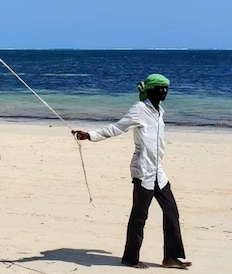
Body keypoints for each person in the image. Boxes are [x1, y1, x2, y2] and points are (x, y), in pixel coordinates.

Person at [72, 74, 191, 270]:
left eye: (166, 88)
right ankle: (130, 257)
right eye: (160, 88)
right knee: (139, 216)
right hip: (143, 171)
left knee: (171, 212)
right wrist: (90, 135)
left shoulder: (160, 111)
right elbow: (117, 128)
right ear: (150, 90)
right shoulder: (139, 110)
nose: (164, 91)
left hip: (158, 173)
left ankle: (171, 257)